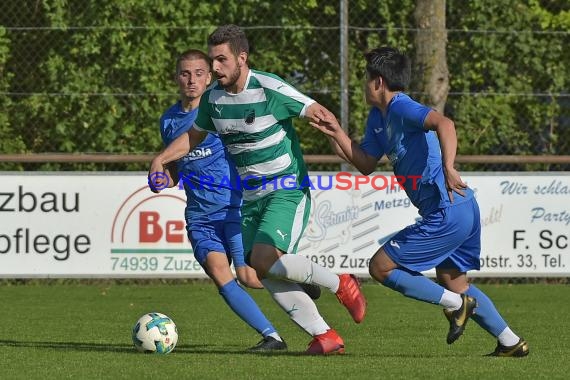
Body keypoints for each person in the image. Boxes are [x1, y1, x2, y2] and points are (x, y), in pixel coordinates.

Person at [149, 25, 367, 355]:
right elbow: (193, 136)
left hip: (286, 187)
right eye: (213, 60)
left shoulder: (269, 87)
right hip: (250, 199)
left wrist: (351, 151)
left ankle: (341, 282)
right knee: (261, 272)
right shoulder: (213, 100)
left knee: (262, 260)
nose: (215, 68)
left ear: (242, 58)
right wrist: (161, 159)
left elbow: (318, 113)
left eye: (221, 60)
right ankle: (325, 336)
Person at [310, 46, 529, 357]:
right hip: (462, 208)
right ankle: (510, 341)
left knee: (381, 267)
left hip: (448, 208)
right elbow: (365, 162)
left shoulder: (401, 107)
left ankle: (457, 306)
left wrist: (450, 167)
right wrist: (334, 132)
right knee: (453, 280)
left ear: (379, 82)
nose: (362, 84)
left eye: (365, 78)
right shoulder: (378, 117)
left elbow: (445, 124)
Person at [152, 48, 286, 351]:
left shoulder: (219, 111)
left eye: (199, 73)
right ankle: (271, 336)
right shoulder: (169, 121)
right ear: (176, 77)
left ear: (209, 77)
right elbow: (177, 168)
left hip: (234, 208)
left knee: (250, 276)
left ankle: (302, 280)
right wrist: (165, 179)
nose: (191, 80)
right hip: (200, 216)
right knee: (219, 274)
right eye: (185, 73)